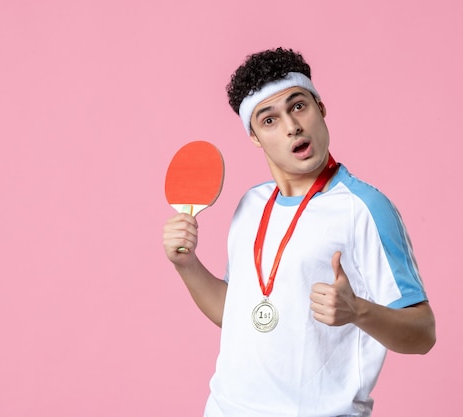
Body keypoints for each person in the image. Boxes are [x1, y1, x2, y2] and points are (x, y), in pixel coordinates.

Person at [162, 47, 436, 417]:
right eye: (269, 120)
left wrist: (358, 312)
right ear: (255, 138)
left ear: (320, 109)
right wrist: (186, 264)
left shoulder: (364, 208)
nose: (292, 126)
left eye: (297, 106)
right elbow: (239, 315)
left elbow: (423, 334)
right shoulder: (250, 205)